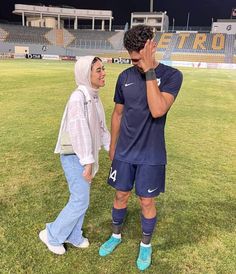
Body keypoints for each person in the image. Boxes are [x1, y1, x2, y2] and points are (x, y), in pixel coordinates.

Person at [99, 25, 183, 271]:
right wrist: (113, 146)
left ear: (152, 47)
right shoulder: (124, 76)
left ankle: (146, 245)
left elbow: (158, 110)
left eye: (138, 57)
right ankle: (115, 235)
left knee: (146, 201)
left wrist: (148, 71)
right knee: (120, 195)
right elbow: (117, 114)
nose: (134, 62)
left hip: (151, 154)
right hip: (124, 152)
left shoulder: (171, 76)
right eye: (132, 58)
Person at [39, 56, 110, 255]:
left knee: (82, 198)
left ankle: (74, 235)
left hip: (84, 156)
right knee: (80, 200)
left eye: (103, 69)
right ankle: (52, 234)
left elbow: (100, 128)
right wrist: (88, 162)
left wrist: (110, 147)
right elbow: (78, 130)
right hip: (75, 156)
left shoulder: (93, 96)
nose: (103, 73)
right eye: (98, 70)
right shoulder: (79, 97)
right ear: (86, 74)